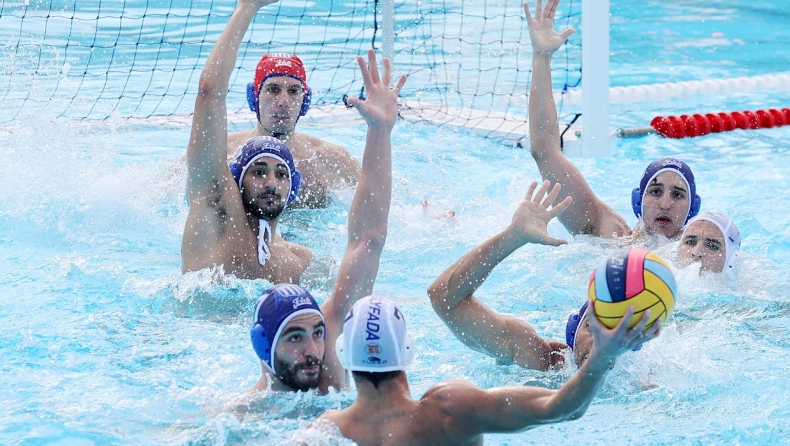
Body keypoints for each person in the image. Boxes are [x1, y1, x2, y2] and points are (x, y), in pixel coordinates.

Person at [248, 48, 407, 393]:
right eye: (273, 89)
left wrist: (380, 133)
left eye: (293, 91)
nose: (313, 351)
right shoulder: (228, 158)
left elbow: (370, 234)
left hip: (309, 256)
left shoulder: (328, 157)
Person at [313, 294, 659, 445]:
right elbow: (563, 408)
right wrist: (602, 357)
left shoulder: (325, 432)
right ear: (408, 350)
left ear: (343, 354)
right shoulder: (450, 410)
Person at [527, 0, 700, 241]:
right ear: (638, 199)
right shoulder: (607, 232)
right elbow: (545, 151)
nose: (665, 204)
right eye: (655, 191)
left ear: (693, 208)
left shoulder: (700, 251)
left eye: (678, 195)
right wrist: (542, 56)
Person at [182, 0, 313, 283]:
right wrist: (247, 7)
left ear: (293, 186)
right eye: (259, 171)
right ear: (237, 180)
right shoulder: (216, 216)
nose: (271, 182)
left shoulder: (299, 261)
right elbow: (209, 92)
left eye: (281, 174)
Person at [428, 180, 572, 371]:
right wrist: (514, 235)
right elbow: (444, 298)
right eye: (590, 325)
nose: (603, 335)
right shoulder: (540, 358)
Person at [227, 53, 361, 208]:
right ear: (254, 96)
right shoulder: (225, 153)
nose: (283, 102)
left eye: (293, 91)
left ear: (305, 101)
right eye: (273, 89)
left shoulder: (333, 161)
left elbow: (376, 207)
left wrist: (378, 130)